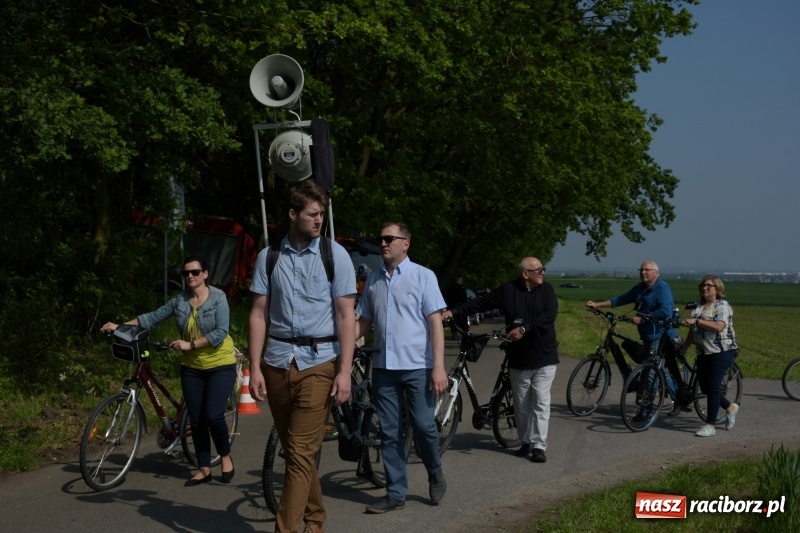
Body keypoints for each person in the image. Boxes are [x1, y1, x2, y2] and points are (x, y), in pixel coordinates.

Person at [248, 180, 356, 533]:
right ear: (293, 215)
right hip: (277, 362)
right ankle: (315, 518)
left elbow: (345, 316)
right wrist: (254, 368)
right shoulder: (269, 256)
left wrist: (344, 372)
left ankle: (286, 529)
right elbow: (259, 314)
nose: (319, 220)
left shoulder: (334, 255)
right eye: (312, 214)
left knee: (297, 453)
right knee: (299, 453)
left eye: (322, 214)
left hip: (319, 362)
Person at [101, 256, 237, 486]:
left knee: (212, 415)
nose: (190, 276)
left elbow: (220, 332)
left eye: (195, 272)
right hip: (192, 367)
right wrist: (120, 326)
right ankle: (204, 468)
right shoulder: (180, 301)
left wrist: (190, 345)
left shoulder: (218, 298)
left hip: (219, 364)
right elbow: (151, 318)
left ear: (205, 274)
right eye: (186, 273)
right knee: (196, 419)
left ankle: (225, 456)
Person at [355, 222, 448, 513]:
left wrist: (439, 367)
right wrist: (345, 345)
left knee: (422, 424)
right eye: (380, 238)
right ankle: (396, 493)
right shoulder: (374, 280)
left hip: (418, 367)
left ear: (405, 243)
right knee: (389, 432)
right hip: (384, 368)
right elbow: (364, 322)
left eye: (389, 238)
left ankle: (434, 470)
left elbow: (435, 323)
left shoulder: (423, 276)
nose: (383, 243)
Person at [443, 257, 558, 463]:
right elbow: (481, 302)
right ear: (525, 274)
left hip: (544, 357)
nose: (543, 272)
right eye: (539, 269)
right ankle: (525, 442)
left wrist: (524, 329)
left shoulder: (546, 291)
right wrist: (455, 310)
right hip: (519, 358)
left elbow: (549, 316)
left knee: (540, 401)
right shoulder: (508, 290)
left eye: (543, 269)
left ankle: (539, 446)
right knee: (521, 404)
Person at [585, 259, 684, 415]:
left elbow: (666, 311)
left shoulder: (663, 288)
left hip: (661, 336)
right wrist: (597, 305)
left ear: (656, 273)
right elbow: (620, 299)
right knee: (661, 371)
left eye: (647, 270)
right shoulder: (639, 289)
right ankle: (679, 398)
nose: (643, 272)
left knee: (651, 372)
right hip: (647, 336)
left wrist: (644, 318)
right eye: (641, 270)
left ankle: (646, 409)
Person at [680, 275, 740, 437]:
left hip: (721, 351)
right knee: (706, 388)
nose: (705, 288)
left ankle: (710, 425)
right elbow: (692, 332)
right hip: (703, 352)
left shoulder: (722, 306)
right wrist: (684, 349)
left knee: (713, 388)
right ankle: (730, 408)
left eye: (709, 286)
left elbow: (719, 326)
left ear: (717, 289)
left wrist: (697, 322)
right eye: (703, 285)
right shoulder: (698, 307)